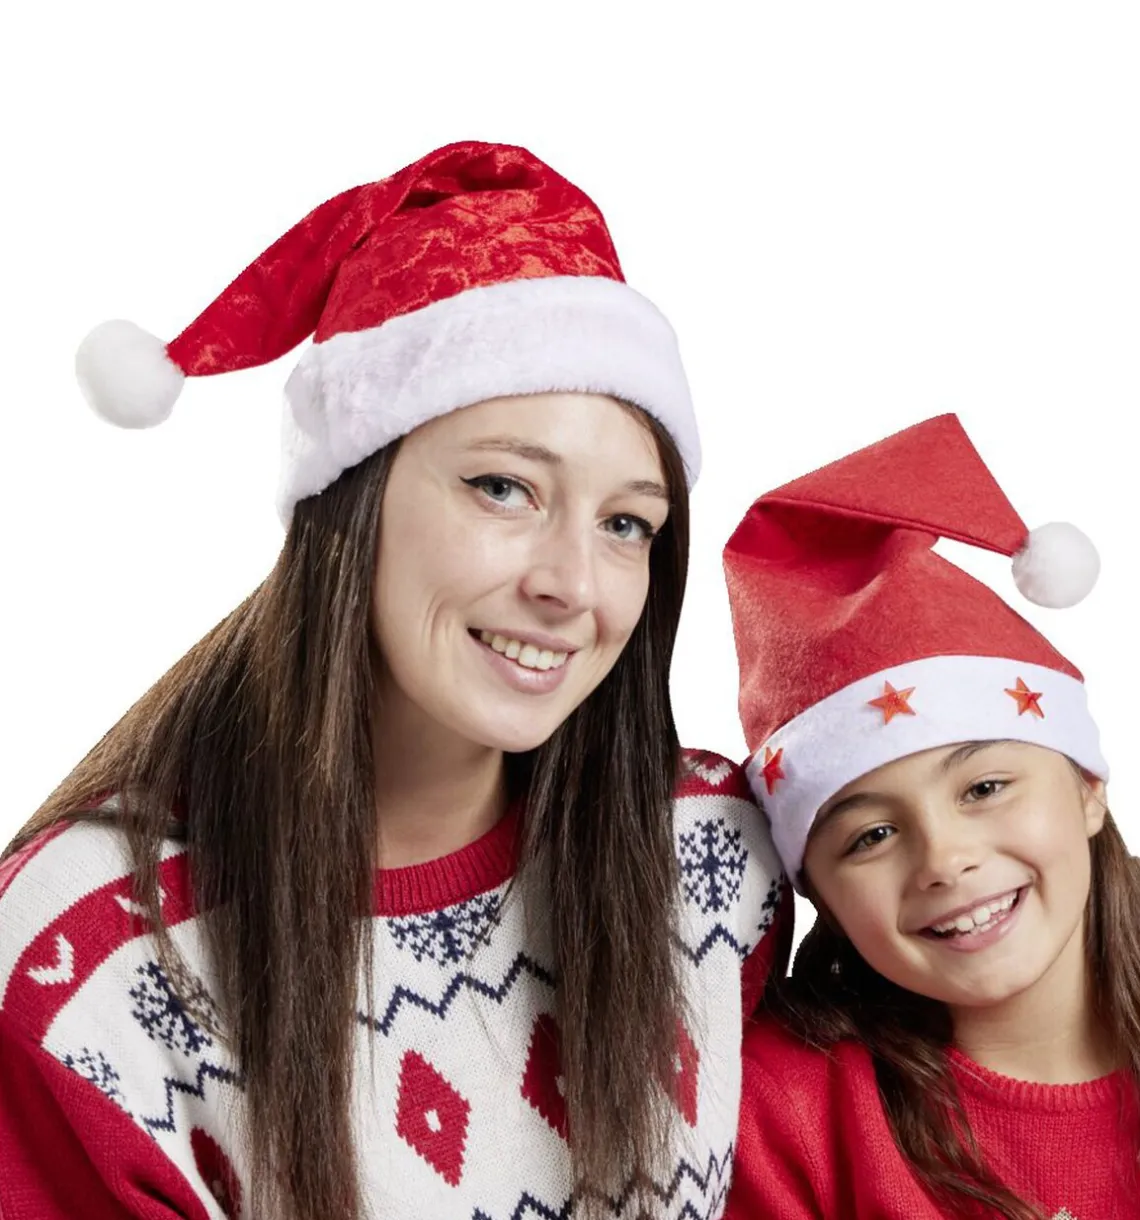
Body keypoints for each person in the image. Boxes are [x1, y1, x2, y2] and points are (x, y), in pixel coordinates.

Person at [0, 142, 789, 1220]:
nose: (571, 584)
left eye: (625, 523)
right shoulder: (91, 948)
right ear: (348, 499)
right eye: (503, 487)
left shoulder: (708, 855)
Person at [721, 414, 1140, 1219]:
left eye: (985, 787)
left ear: (1089, 785)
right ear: (818, 891)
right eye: (870, 835)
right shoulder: (785, 1113)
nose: (943, 859)